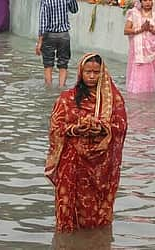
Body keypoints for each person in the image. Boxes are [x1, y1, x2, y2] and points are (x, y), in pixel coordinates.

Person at [45, 53, 128, 233]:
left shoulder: (113, 100)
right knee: (68, 211)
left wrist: (103, 128)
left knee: (97, 218)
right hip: (72, 163)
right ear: (80, 72)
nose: (91, 76)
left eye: (96, 72)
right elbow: (56, 127)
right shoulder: (67, 98)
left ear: (102, 73)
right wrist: (76, 129)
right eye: (88, 72)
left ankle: (97, 242)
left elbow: (121, 125)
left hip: (100, 168)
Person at [36, 0, 78, 87]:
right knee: (63, 64)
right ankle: (61, 88)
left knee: (48, 64)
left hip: (49, 35)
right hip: (64, 35)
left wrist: (40, 41)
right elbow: (74, 10)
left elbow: (43, 21)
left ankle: (49, 89)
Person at [124, 0, 155, 93]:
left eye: (150, 0)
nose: (148, 3)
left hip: (153, 50)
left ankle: (149, 97)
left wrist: (152, 29)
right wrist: (141, 29)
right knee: (138, 74)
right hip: (137, 51)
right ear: (140, 2)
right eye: (145, 0)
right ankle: (137, 96)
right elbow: (126, 30)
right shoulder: (133, 13)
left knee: (151, 75)